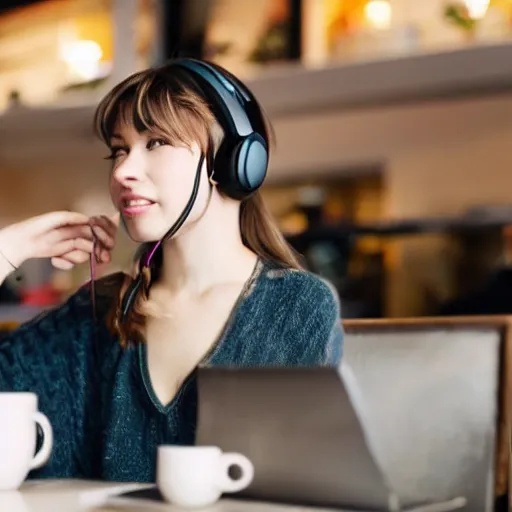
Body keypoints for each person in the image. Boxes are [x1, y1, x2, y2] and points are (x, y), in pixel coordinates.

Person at [0, 58, 344, 482]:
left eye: (156, 142)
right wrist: (7, 250)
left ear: (232, 160)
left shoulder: (295, 307)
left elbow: (298, 488)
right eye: (119, 149)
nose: (124, 170)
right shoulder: (101, 313)